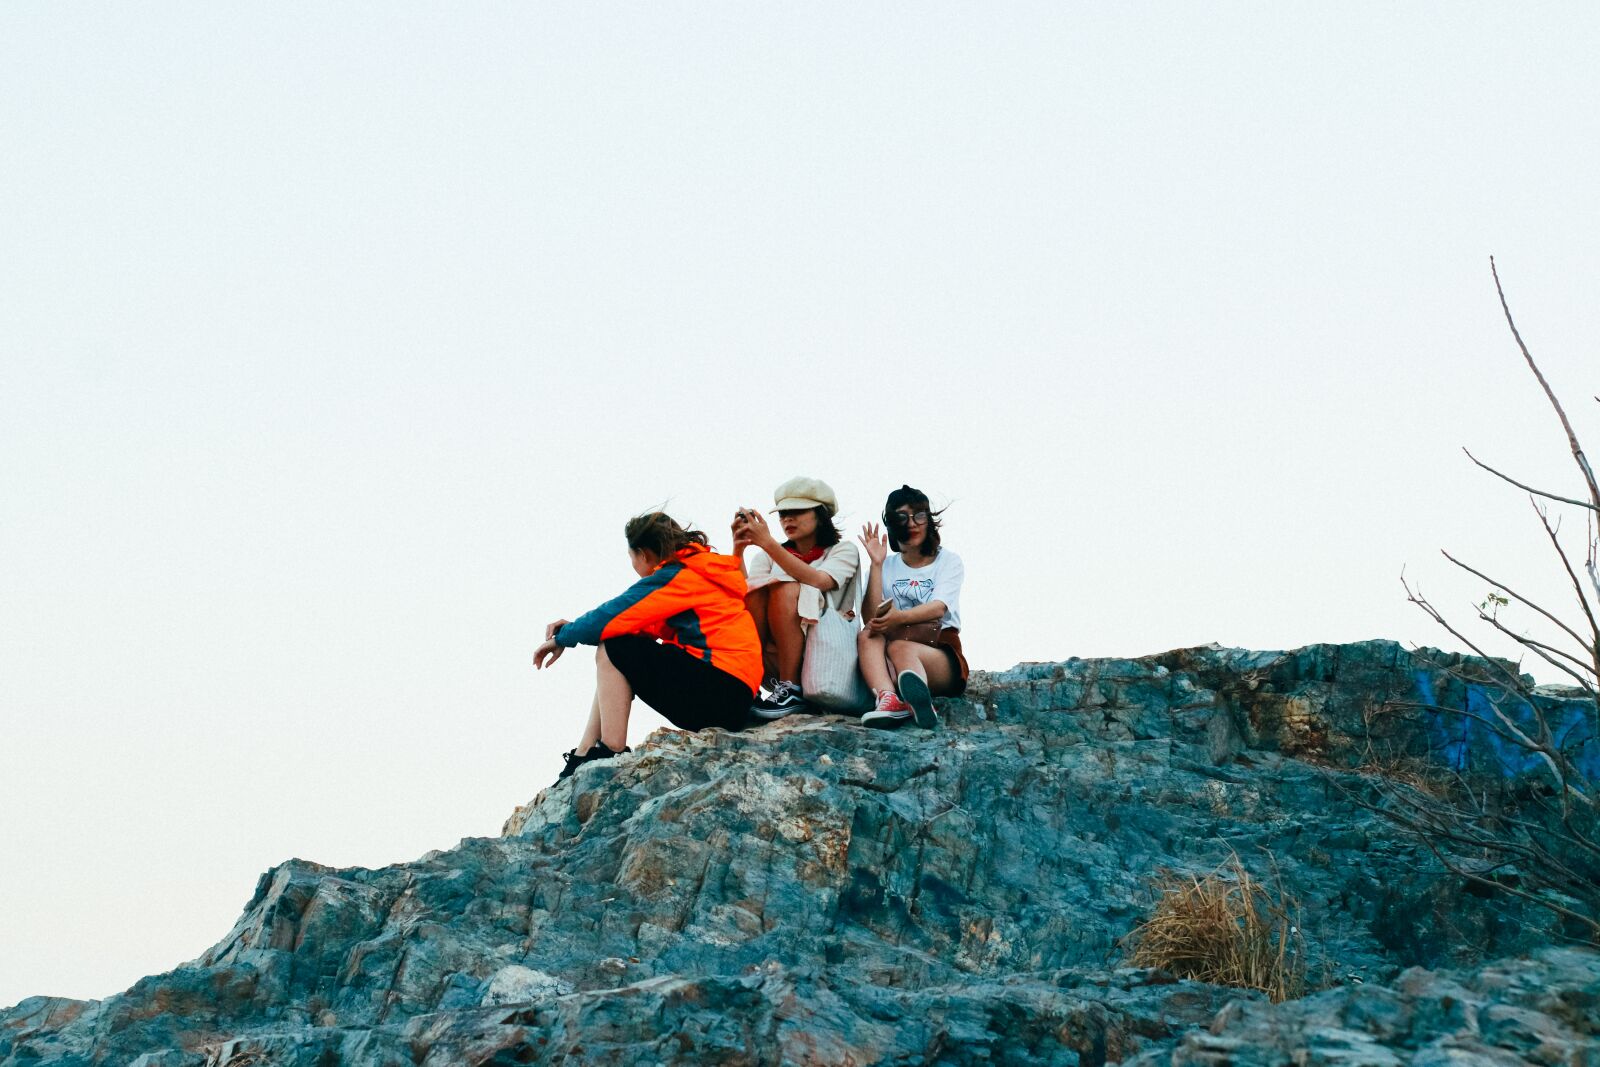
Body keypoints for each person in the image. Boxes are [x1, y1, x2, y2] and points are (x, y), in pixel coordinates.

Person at [531, 511, 763, 783]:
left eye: (631, 557)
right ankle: (584, 753)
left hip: (719, 693)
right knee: (618, 647)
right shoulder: (699, 571)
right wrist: (572, 629)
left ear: (643, 554)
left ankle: (610, 750)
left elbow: (616, 614)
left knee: (615, 645)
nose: (632, 564)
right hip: (733, 695)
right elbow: (633, 623)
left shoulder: (679, 575)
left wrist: (562, 638)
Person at [732, 476, 861, 718]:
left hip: (827, 656)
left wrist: (769, 544)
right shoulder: (768, 556)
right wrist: (738, 550)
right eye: (782, 514)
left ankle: (791, 686)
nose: (787, 519)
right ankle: (747, 681)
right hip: (774, 656)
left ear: (820, 514)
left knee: (785, 588)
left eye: (797, 511)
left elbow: (821, 581)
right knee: (753, 594)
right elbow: (744, 595)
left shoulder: (843, 550)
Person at [857, 485, 968, 729]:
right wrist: (876, 564)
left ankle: (920, 699)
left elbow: (939, 608)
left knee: (900, 647)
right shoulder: (887, 566)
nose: (913, 523)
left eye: (919, 515)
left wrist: (898, 618)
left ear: (928, 520)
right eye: (902, 517)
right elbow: (870, 618)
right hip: (892, 654)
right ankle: (889, 699)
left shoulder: (947, 560)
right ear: (892, 524)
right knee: (868, 635)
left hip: (939, 651)